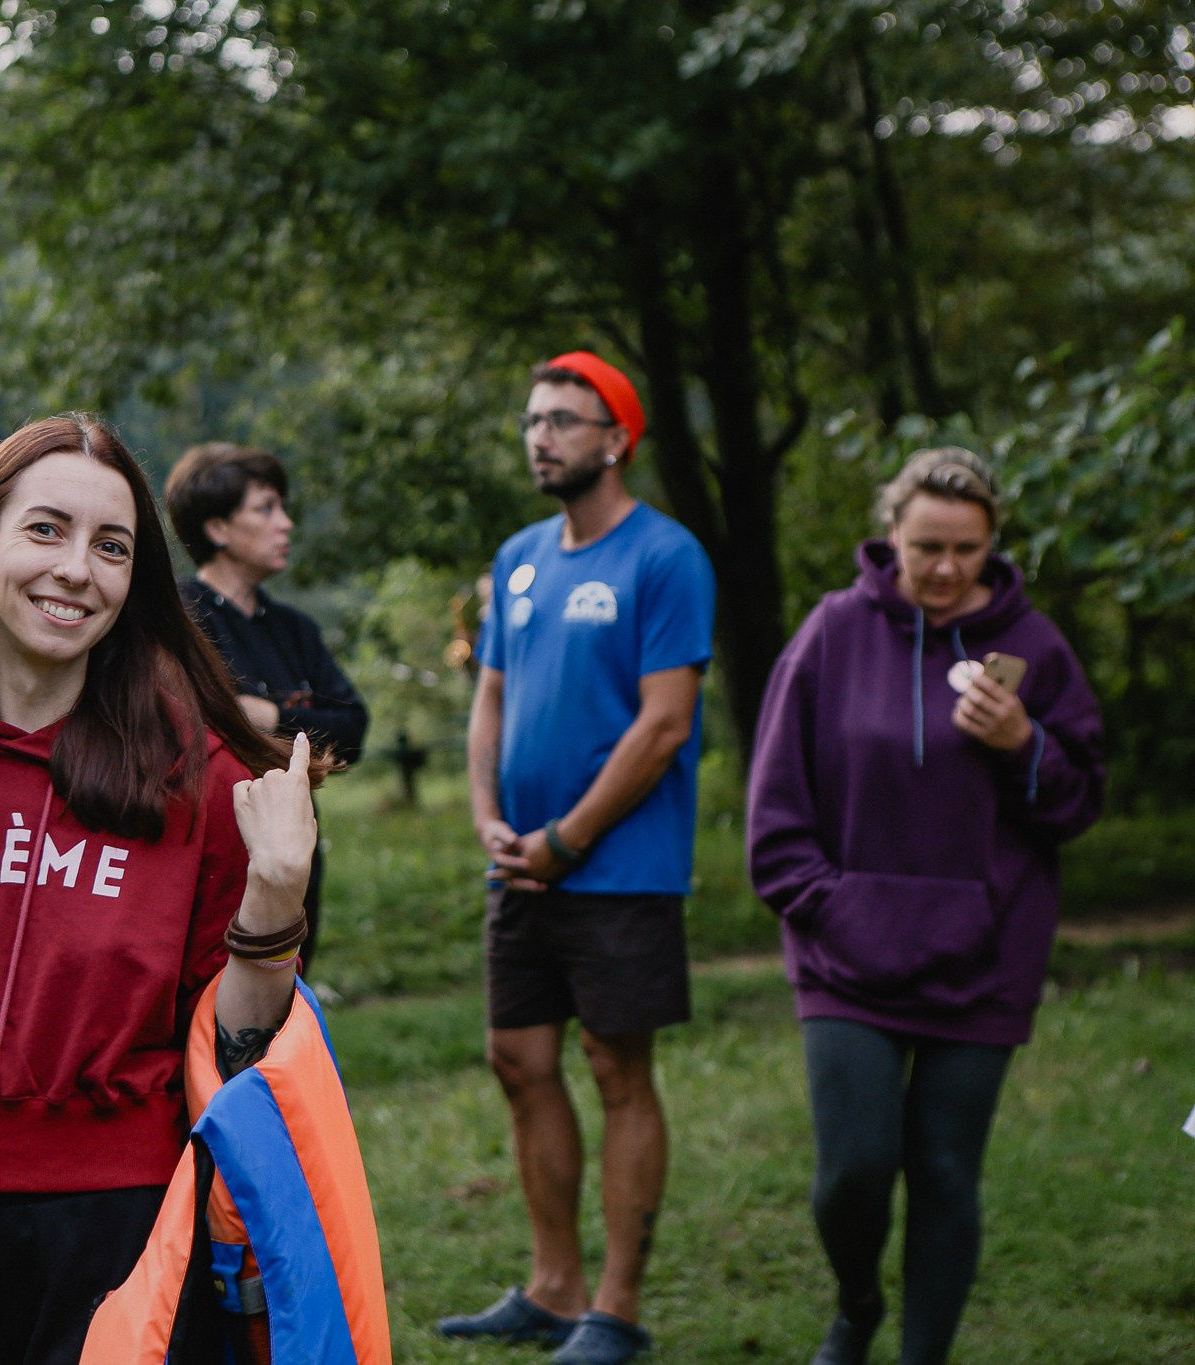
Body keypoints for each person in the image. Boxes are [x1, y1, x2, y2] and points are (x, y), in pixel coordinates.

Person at [0, 414, 324, 1363]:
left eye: (111, 545)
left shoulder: (196, 782)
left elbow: (234, 1058)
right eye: (47, 529)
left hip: (122, 1225)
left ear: (135, 580)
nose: (78, 568)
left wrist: (278, 898)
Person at [748, 447, 1104, 1365]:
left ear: (993, 545)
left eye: (967, 549)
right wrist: (832, 907)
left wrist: (1024, 742)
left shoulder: (1035, 645)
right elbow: (776, 815)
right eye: (926, 546)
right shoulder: (831, 634)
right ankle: (857, 1302)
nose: (946, 568)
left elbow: (1076, 804)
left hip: (985, 956)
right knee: (854, 1172)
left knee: (946, 1171)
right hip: (844, 953)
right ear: (890, 538)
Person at [441, 354, 715, 1365]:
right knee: (517, 1061)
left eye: (562, 419)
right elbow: (491, 701)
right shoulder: (517, 556)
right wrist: (485, 814)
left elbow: (662, 725)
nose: (539, 436)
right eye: (530, 419)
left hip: (619, 870)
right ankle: (551, 1288)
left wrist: (569, 839)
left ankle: (618, 1307)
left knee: (615, 1070)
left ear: (616, 438)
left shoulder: (665, 557)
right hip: (519, 867)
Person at [166, 442, 368, 974]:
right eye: (266, 508)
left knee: (282, 1017)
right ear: (218, 530)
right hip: (200, 857)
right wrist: (297, 719)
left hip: (295, 852)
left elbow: (353, 729)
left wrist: (268, 716)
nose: (287, 523)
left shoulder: (294, 630)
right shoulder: (175, 620)